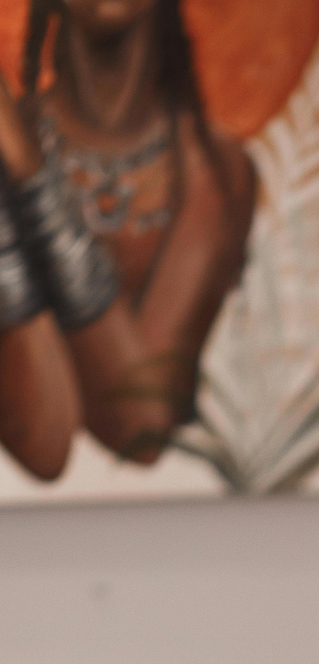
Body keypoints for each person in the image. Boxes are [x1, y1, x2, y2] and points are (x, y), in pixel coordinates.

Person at [0, 0, 254, 478]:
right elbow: (42, 442)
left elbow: (140, 429)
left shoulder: (214, 170)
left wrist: (31, 178)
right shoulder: (11, 133)